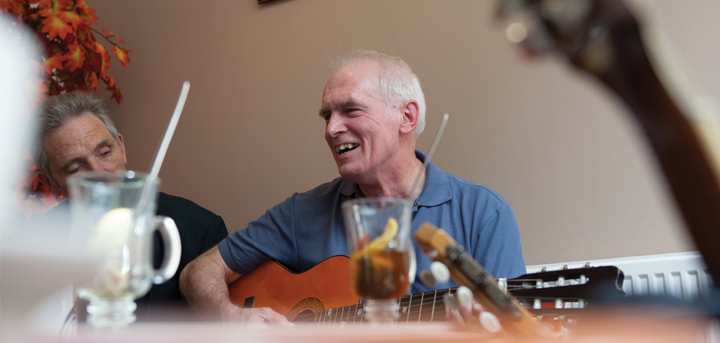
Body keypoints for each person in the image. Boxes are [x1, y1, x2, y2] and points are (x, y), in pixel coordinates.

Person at [179, 50, 525, 325]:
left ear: (407, 117)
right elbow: (197, 273)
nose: (331, 129)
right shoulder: (303, 212)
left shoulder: (484, 214)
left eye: (350, 110)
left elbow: (512, 330)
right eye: (326, 115)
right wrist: (231, 317)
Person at [32, 92, 228, 321]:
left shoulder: (198, 230)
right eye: (76, 168)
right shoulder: (34, 241)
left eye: (105, 153)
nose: (99, 173)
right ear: (50, 182)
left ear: (121, 148)